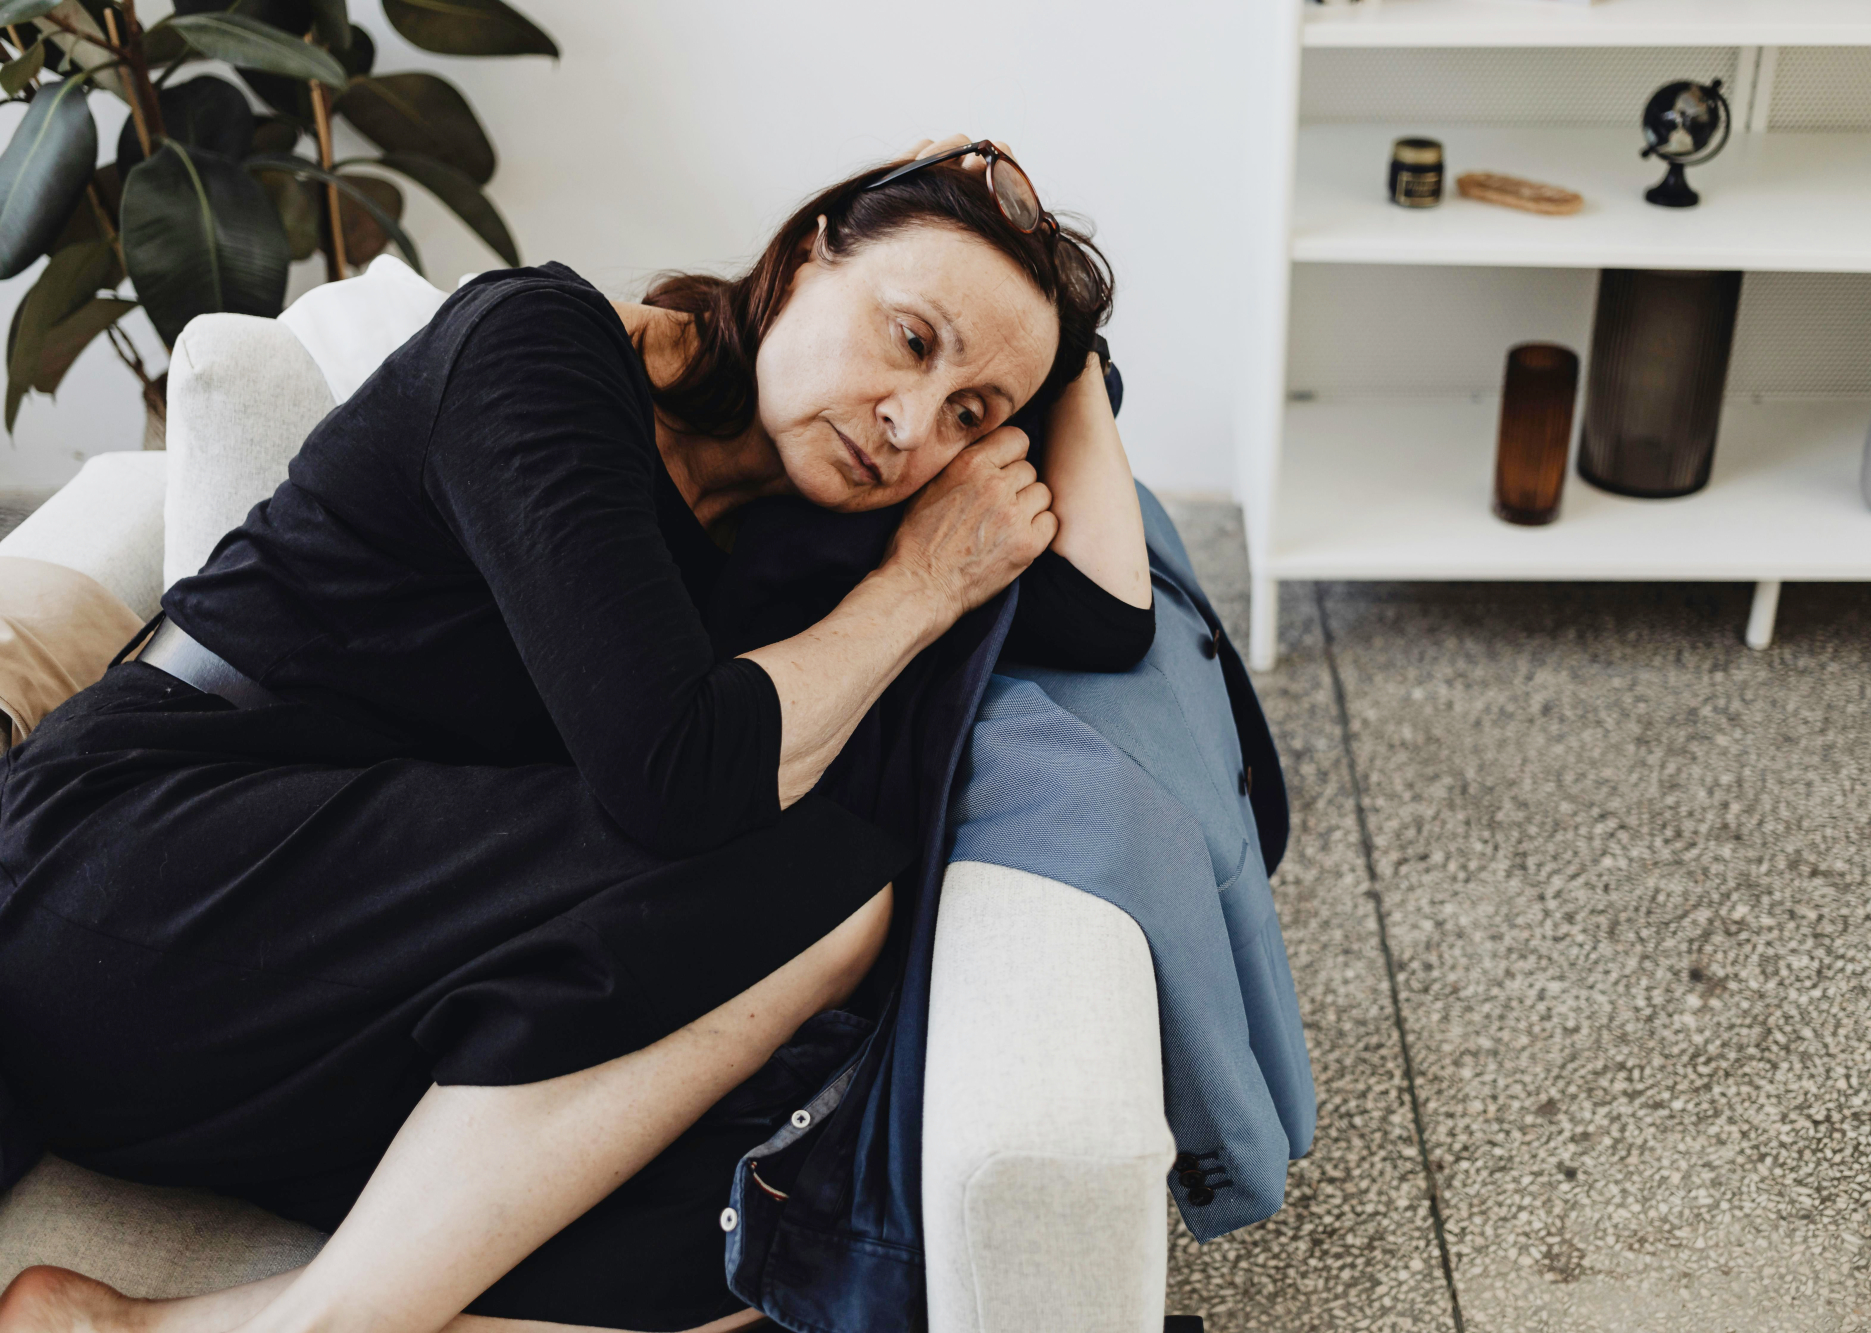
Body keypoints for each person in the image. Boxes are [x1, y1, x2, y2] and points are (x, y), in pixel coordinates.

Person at [0, 135, 1149, 1333]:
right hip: (123, 885)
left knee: (747, 1239)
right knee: (821, 882)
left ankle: (134, 1326)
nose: (909, 424)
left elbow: (1105, 617)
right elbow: (677, 780)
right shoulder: (537, 351)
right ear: (808, 253)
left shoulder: (791, 512)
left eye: (968, 413)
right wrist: (915, 589)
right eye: (909, 339)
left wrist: (1058, 344)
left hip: (317, 1011)